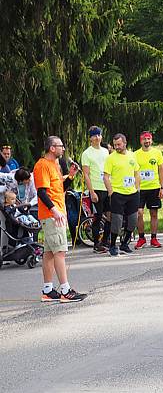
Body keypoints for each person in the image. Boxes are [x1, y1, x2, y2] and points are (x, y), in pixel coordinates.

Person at [33, 136, 86, 303]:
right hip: (52, 215)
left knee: (49, 253)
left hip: (56, 213)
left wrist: (70, 176)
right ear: (51, 148)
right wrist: (54, 210)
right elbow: (42, 192)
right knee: (60, 252)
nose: (63, 149)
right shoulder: (42, 165)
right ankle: (65, 289)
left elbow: (59, 188)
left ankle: (48, 290)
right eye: (60, 146)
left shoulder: (55, 165)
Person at [103, 134, 141, 256]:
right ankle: (113, 245)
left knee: (133, 220)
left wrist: (137, 188)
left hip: (132, 193)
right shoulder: (111, 158)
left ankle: (124, 243)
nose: (117, 147)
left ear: (125, 143)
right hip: (117, 193)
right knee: (117, 221)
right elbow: (106, 177)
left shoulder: (132, 155)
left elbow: (136, 172)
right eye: (115, 145)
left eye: (119, 144)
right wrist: (111, 192)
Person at [80, 126, 110, 253]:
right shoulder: (87, 153)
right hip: (96, 188)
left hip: (107, 186)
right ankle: (96, 243)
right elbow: (86, 174)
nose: (97, 138)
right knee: (97, 216)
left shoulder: (105, 151)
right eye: (94, 136)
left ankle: (106, 240)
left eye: (99, 135)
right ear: (90, 138)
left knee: (110, 215)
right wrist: (91, 191)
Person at [133, 131, 163, 249]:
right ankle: (141, 238)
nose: (147, 141)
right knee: (139, 213)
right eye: (144, 139)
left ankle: (154, 238)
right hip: (140, 189)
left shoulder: (157, 153)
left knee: (154, 214)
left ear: (151, 140)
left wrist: (162, 187)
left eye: (148, 139)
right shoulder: (135, 154)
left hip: (154, 187)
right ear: (140, 141)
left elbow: (161, 170)